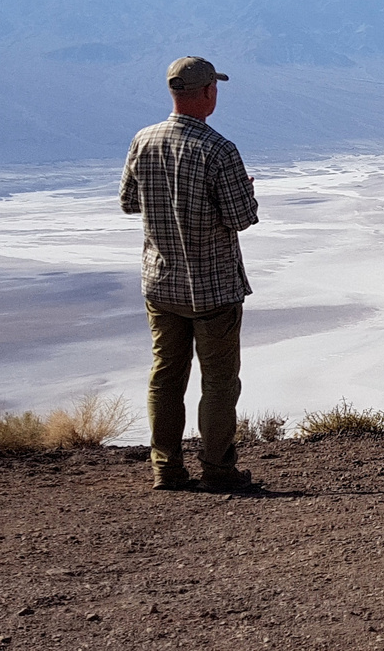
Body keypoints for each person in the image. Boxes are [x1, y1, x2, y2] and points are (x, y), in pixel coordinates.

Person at [119, 56, 261, 491]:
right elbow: (241, 217)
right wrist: (247, 193)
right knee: (218, 383)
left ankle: (166, 468)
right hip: (213, 288)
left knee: (165, 377)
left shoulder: (143, 140)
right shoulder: (219, 149)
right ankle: (218, 470)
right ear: (206, 93)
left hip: (161, 283)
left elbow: (128, 202)